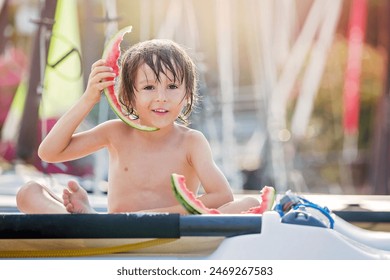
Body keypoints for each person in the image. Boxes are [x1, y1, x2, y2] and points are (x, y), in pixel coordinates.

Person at [16, 39, 269, 215]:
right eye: (148, 87)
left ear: (188, 95)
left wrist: (155, 215)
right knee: (28, 192)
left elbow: (222, 196)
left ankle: (88, 221)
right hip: (115, 229)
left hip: (172, 228)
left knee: (249, 202)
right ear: (127, 96)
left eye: (172, 87)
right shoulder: (115, 132)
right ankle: (88, 219)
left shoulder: (192, 141)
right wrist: (88, 99)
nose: (161, 97)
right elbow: (48, 152)